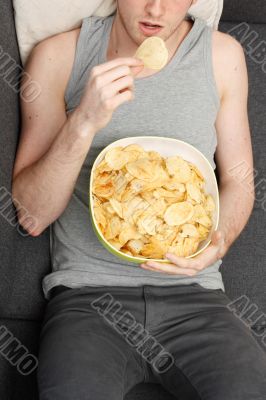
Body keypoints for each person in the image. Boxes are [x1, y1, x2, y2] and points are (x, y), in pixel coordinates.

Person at [12, 0, 266, 398]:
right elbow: (32, 216)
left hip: (196, 298)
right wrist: (83, 121)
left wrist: (217, 244)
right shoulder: (59, 55)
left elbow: (239, 183)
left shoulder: (222, 56)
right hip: (88, 300)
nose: (155, 8)